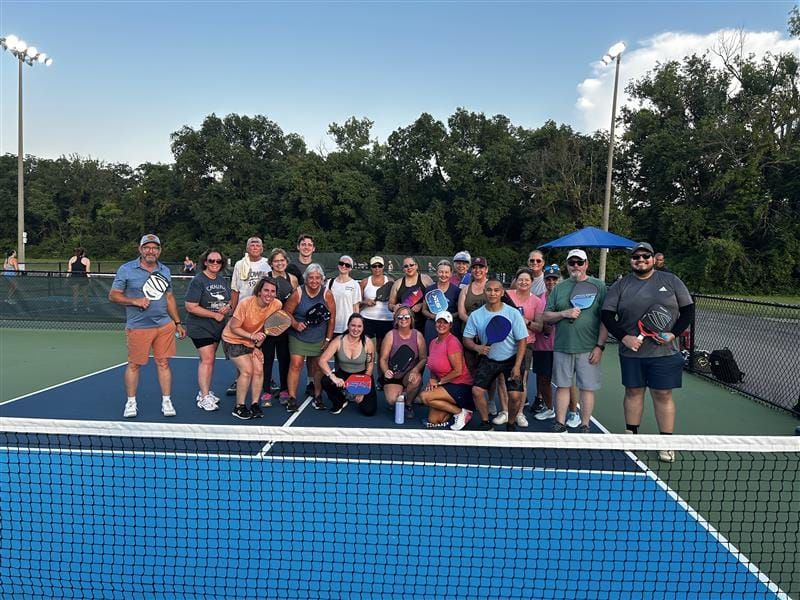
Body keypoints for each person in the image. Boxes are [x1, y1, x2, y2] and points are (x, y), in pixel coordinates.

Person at [601, 242, 695, 463]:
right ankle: (631, 436)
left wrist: (673, 334)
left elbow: (688, 310)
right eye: (636, 257)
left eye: (645, 256)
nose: (641, 260)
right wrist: (624, 337)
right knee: (633, 392)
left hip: (665, 353)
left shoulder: (671, 281)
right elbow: (607, 315)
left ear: (653, 259)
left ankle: (666, 442)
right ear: (631, 261)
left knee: (663, 395)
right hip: (631, 353)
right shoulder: (621, 285)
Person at [109, 234, 186, 419]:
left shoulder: (165, 270)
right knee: (134, 365)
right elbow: (113, 295)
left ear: (159, 251)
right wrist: (134, 301)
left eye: (154, 248)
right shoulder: (126, 269)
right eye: (147, 247)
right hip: (138, 327)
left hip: (164, 326)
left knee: (163, 362)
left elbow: (169, 297)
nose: (151, 251)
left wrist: (177, 322)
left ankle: (166, 401)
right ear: (140, 249)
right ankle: (131, 402)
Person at [542, 249, 608, 434]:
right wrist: (564, 313)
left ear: (586, 264)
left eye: (580, 262)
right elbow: (546, 316)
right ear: (567, 265)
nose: (576, 266)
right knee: (562, 386)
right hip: (562, 346)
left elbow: (606, 319)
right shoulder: (559, 288)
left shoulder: (599, 286)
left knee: (587, 388)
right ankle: (560, 423)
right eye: (572, 263)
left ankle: (585, 425)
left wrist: (599, 346)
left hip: (589, 348)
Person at [462, 277, 528, 431]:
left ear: (502, 293)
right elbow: (466, 339)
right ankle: (485, 422)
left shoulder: (513, 313)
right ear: (484, 292)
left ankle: (511, 423)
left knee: (515, 396)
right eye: (489, 290)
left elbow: (522, 340)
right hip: (489, 359)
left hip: (512, 359)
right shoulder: (476, 315)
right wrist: (477, 347)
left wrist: (517, 366)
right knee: (477, 391)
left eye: (496, 290)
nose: (493, 293)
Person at [221, 277, 282, 420]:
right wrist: (252, 336)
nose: (269, 294)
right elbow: (234, 327)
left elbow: (267, 329)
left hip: (251, 342)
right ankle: (239, 407)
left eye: (273, 291)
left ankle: (255, 404)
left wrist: (257, 347)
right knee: (247, 370)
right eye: (266, 290)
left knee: (259, 370)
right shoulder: (245, 303)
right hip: (232, 339)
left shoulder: (277, 305)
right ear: (259, 291)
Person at [284, 263, 336, 412]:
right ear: (306, 279)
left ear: (322, 279)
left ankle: (318, 396)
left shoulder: (327, 294)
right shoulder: (298, 293)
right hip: (298, 335)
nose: (314, 281)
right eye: (311, 277)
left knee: (317, 367)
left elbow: (332, 318)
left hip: (319, 335)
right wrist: (295, 324)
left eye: (317, 278)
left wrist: (328, 339)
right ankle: (292, 398)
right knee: (296, 364)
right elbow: (286, 312)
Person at [184, 248, 232, 412]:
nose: (215, 263)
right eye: (211, 260)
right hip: (200, 326)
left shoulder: (222, 280)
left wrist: (227, 307)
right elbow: (190, 306)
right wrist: (213, 315)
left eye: (218, 261)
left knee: (209, 360)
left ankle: (205, 392)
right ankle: (204, 397)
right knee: (208, 359)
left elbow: (228, 301)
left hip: (217, 327)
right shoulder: (198, 281)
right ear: (205, 262)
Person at [227, 237, 271, 396]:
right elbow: (235, 290)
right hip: (243, 314)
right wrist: (232, 312)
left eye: (258, 244)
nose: (255, 246)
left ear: (262, 248)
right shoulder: (240, 264)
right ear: (247, 248)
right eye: (252, 244)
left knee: (261, 348)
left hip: (262, 313)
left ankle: (265, 379)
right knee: (241, 348)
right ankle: (239, 378)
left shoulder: (267, 264)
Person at [502, 267, 545, 427]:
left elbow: (539, 327)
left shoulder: (537, 302)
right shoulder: (506, 295)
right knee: (502, 378)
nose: (523, 282)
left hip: (526, 343)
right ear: (516, 281)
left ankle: (519, 413)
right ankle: (505, 411)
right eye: (520, 279)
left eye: (527, 280)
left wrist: (524, 321)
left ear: (531, 282)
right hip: (504, 342)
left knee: (522, 379)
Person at [419, 311, 474, 430]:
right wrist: (432, 380)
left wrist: (439, 382)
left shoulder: (453, 342)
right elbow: (433, 367)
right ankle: (455, 409)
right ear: (435, 324)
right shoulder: (433, 342)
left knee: (424, 397)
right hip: (445, 385)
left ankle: (460, 412)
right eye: (439, 322)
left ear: (450, 325)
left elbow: (458, 371)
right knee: (434, 420)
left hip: (460, 385)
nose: (441, 325)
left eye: (445, 323)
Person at [319, 313, 378, 416]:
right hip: (344, 375)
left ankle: (351, 393)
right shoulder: (338, 341)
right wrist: (333, 377)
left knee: (369, 411)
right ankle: (340, 400)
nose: (356, 329)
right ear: (348, 326)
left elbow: (370, 367)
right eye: (353, 325)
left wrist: (362, 389)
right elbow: (322, 361)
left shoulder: (368, 343)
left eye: (359, 326)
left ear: (363, 328)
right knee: (326, 380)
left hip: (362, 376)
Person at [262, 247, 299, 406]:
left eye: (282, 260)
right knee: (267, 359)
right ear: (271, 263)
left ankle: (284, 390)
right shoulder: (265, 278)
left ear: (286, 262)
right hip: (268, 327)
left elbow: (296, 301)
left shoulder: (293, 279)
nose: (279, 263)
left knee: (285, 359)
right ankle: (266, 391)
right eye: (276, 261)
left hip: (286, 327)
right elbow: (259, 301)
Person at [379, 305, 427, 420]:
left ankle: (408, 403)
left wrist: (415, 370)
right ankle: (404, 395)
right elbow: (383, 359)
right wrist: (386, 371)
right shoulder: (390, 335)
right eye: (400, 317)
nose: (403, 319)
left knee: (416, 378)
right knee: (392, 400)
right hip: (393, 376)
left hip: (408, 375)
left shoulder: (418, 336)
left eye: (406, 317)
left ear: (411, 319)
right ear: (396, 320)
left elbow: (424, 358)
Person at [359, 256, 394, 385]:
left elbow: (395, 300)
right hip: (367, 319)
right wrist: (365, 302)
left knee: (382, 350)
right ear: (371, 267)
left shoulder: (390, 281)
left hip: (386, 320)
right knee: (365, 350)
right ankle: (363, 377)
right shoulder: (364, 282)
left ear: (383, 267)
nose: (377, 268)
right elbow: (357, 302)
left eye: (380, 266)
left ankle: (381, 378)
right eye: (374, 266)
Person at [388, 256, 433, 333]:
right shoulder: (397, 283)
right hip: (403, 324)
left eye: (411, 265)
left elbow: (434, 299)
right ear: (403, 269)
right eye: (406, 266)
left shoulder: (426, 280)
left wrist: (422, 305)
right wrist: (394, 307)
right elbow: (390, 304)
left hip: (423, 323)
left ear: (416, 266)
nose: (409, 268)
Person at [421, 260, 460, 344]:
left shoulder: (457, 291)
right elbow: (424, 310)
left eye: (446, 272)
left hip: (450, 324)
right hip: (433, 324)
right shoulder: (429, 289)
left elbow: (459, 312)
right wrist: (434, 317)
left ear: (451, 274)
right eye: (441, 272)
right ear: (437, 273)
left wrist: (446, 317)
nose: (443, 275)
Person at [328, 255, 362, 335]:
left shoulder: (354, 285)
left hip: (346, 326)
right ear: (338, 265)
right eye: (341, 263)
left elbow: (356, 308)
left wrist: (356, 325)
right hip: (331, 325)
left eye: (347, 265)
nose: (344, 266)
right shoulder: (329, 283)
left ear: (350, 268)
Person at [67, 247, 91, 312]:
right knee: (85, 294)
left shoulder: (72, 259)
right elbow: (88, 271)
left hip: (74, 278)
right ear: (83, 253)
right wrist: (90, 279)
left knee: (75, 294)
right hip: (83, 278)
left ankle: (75, 308)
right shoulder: (86, 260)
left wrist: (67, 278)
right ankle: (88, 308)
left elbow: (69, 270)